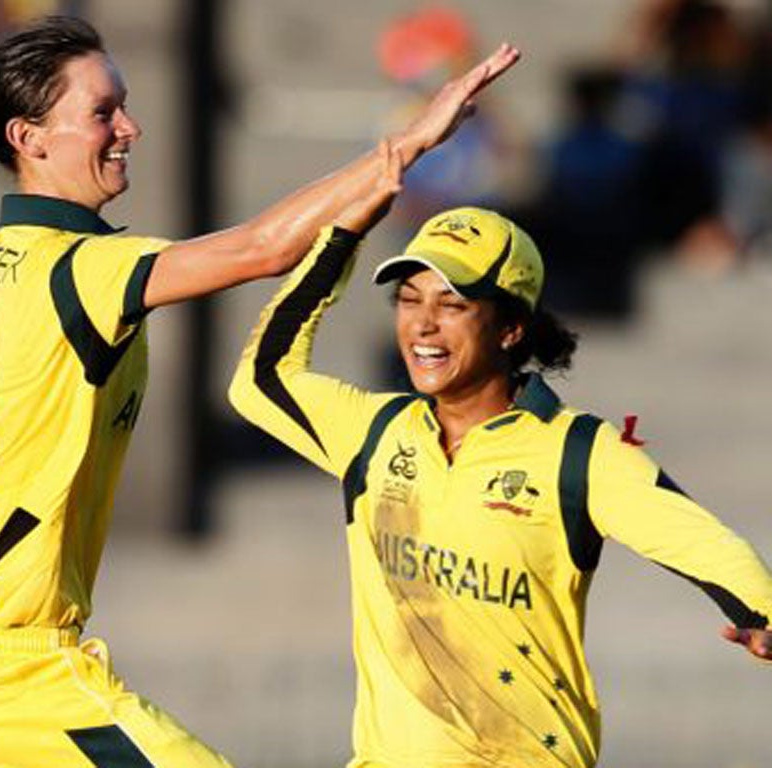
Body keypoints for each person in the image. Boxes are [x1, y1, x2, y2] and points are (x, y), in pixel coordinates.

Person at [0, 15, 520, 768]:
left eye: (123, 103)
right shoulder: (84, 271)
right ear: (30, 139)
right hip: (11, 670)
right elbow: (263, 249)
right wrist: (407, 146)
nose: (129, 126)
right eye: (102, 113)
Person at [228, 146, 772, 768]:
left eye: (453, 305)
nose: (423, 326)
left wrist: (763, 611)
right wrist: (344, 235)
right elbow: (259, 379)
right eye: (410, 299)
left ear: (510, 328)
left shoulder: (579, 451)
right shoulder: (374, 431)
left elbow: (705, 542)